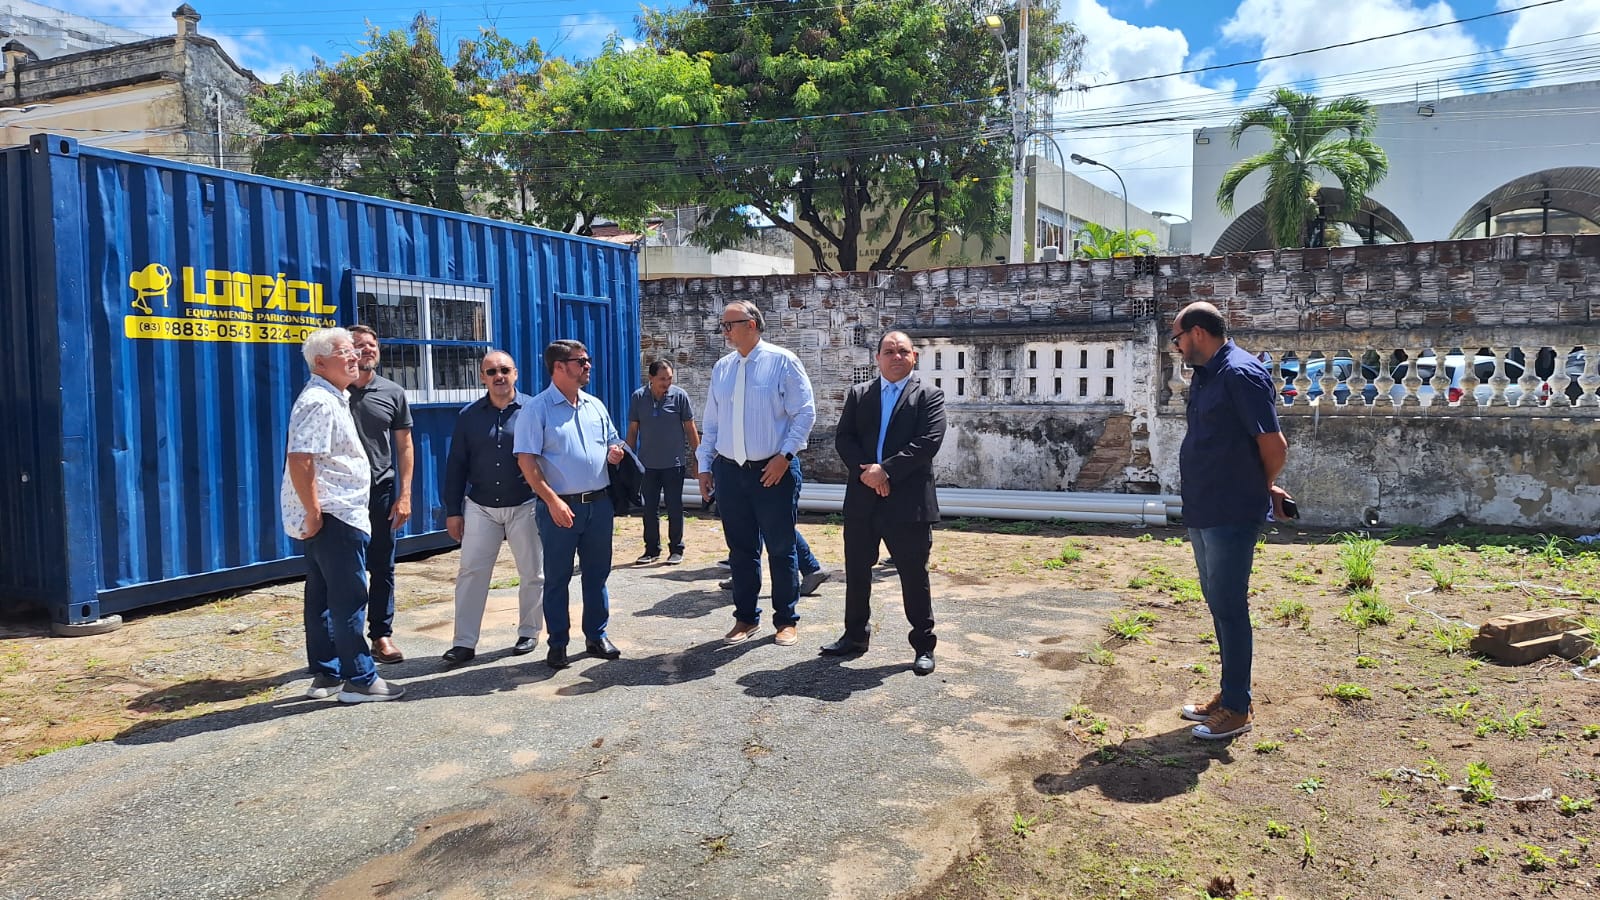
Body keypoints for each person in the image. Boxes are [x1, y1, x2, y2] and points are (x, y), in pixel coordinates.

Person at [1170, 301, 1292, 740]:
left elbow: (1274, 444)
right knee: (1218, 605)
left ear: (1198, 332)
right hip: (1204, 507)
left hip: (1230, 511)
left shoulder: (1240, 373)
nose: (1177, 346)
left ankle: (1238, 708)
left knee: (1229, 606)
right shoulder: (1207, 376)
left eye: (1177, 337)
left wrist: (1260, 486)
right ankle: (1230, 692)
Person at [281, 328, 404, 702]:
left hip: (336, 514)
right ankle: (360, 680)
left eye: (355, 351)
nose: (354, 357)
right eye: (344, 352)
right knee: (349, 598)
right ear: (321, 362)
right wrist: (315, 511)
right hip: (335, 516)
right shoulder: (320, 401)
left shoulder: (334, 396)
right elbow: (301, 458)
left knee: (321, 597)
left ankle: (328, 675)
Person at [823, 331, 946, 675]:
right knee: (858, 573)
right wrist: (867, 473)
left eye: (902, 351)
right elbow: (844, 437)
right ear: (877, 357)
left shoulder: (929, 396)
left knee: (913, 575)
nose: (895, 356)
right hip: (863, 498)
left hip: (907, 502)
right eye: (888, 351)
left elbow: (928, 442)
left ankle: (923, 645)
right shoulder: (860, 395)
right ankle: (854, 635)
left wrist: (886, 471)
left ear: (914, 357)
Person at [696, 301, 816, 647]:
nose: (724, 332)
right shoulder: (723, 368)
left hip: (773, 471)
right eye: (723, 326)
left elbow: (804, 413)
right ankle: (746, 618)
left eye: (728, 325)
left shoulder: (782, 361)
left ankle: (786, 619)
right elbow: (712, 423)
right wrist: (706, 465)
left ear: (751, 324)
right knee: (741, 550)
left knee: (780, 547)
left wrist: (785, 456)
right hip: (731, 472)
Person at [515, 340, 627, 670]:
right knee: (557, 578)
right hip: (559, 508)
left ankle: (596, 635)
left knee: (596, 575)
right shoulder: (536, 410)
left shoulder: (595, 405)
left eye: (587, 360)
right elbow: (526, 461)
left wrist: (615, 452)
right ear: (559, 367)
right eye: (582, 361)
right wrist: (551, 502)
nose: (588, 366)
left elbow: (612, 440)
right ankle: (558, 643)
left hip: (599, 506)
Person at [439, 350, 545, 666]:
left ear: (515, 373)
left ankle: (529, 632)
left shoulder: (533, 410)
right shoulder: (469, 416)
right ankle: (464, 643)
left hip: (525, 505)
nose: (498, 376)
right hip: (481, 507)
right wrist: (453, 510)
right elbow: (456, 465)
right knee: (471, 573)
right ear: (482, 377)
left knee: (532, 573)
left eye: (504, 370)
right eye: (491, 372)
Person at [346, 325, 414, 665]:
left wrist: (406, 495)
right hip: (343, 496)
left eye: (372, 345)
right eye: (359, 345)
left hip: (382, 492)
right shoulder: (334, 391)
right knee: (347, 568)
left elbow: (404, 445)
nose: (367, 350)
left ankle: (381, 636)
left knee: (383, 566)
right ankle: (345, 639)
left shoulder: (392, 392)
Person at [627, 361, 700, 565]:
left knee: (674, 507)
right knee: (649, 509)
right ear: (650, 378)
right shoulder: (638, 398)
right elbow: (633, 431)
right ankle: (651, 549)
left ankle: (676, 549)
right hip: (647, 465)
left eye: (669, 378)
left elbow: (690, 429)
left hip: (673, 464)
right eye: (662, 379)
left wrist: (699, 458)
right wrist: (627, 458)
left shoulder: (679, 397)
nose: (667, 383)